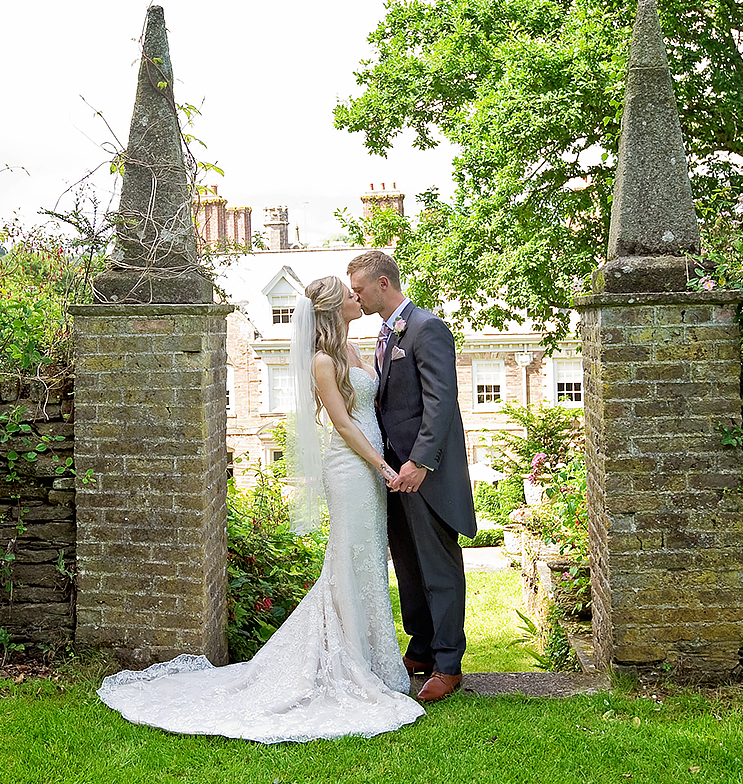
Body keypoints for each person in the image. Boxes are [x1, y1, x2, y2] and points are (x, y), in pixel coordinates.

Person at [96, 275, 425, 743]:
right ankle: (347, 663)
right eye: (350, 295)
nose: (359, 298)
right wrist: (381, 465)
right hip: (352, 468)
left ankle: (370, 658)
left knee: (368, 562)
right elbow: (343, 424)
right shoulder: (322, 362)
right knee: (346, 563)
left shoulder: (356, 351)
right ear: (334, 309)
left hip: (373, 469)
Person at [347, 249, 476, 703]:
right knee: (407, 565)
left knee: (438, 569)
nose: (355, 297)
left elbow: (441, 402)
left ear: (383, 284)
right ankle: (420, 648)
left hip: (424, 474)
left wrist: (420, 462)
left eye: (359, 289)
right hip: (393, 475)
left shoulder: (427, 327)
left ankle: (448, 664)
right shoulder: (386, 335)